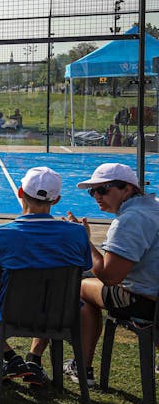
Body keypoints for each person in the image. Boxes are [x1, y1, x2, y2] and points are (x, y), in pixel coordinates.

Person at [0, 167, 91, 385]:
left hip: (10, 312)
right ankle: (34, 359)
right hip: (58, 312)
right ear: (57, 199)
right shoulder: (78, 233)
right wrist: (82, 235)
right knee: (49, 294)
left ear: (20, 192)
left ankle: (10, 357)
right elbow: (82, 271)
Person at [62, 163, 159, 381]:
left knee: (78, 287)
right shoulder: (152, 207)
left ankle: (82, 366)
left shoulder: (130, 219)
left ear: (127, 188)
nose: (97, 195)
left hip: (145, 302)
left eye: (103, 189)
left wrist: (83, 240)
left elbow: (109, 276)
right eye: (92, 191)